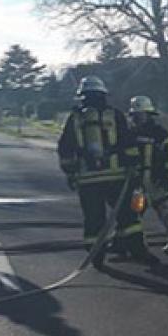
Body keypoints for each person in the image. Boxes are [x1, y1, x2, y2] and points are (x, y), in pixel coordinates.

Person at [57, 76, 158, 268]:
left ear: (82, 96)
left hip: (87, 180)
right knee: (129, 217)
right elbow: (128, 143)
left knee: (94, 220)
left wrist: (70, 173)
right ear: (103, 94)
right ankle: (138, 251)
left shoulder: (75, 119)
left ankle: (96, 256)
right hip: (117, 177)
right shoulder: (115, 115)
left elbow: (65, 149)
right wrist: (134, 168)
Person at [128, 95, 168, 255]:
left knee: (166, 212)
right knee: (133, 214)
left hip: (157, 181)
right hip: (137, 181)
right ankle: (131, 244)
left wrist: (167, 177)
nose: (136, 118)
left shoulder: (159, 134)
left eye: (139, 115)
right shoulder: (129, 133)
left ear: (148, 114)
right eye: (134, 115)